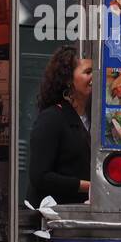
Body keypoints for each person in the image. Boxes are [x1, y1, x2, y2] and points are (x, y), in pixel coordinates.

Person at [26, 46, 92, 206]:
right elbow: (40, 176)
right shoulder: (52, 118)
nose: (95, 77)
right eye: (88, 72)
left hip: (82, 217)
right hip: (53, 221)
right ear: (69, 79)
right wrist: (88, 187)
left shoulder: (94, 118)